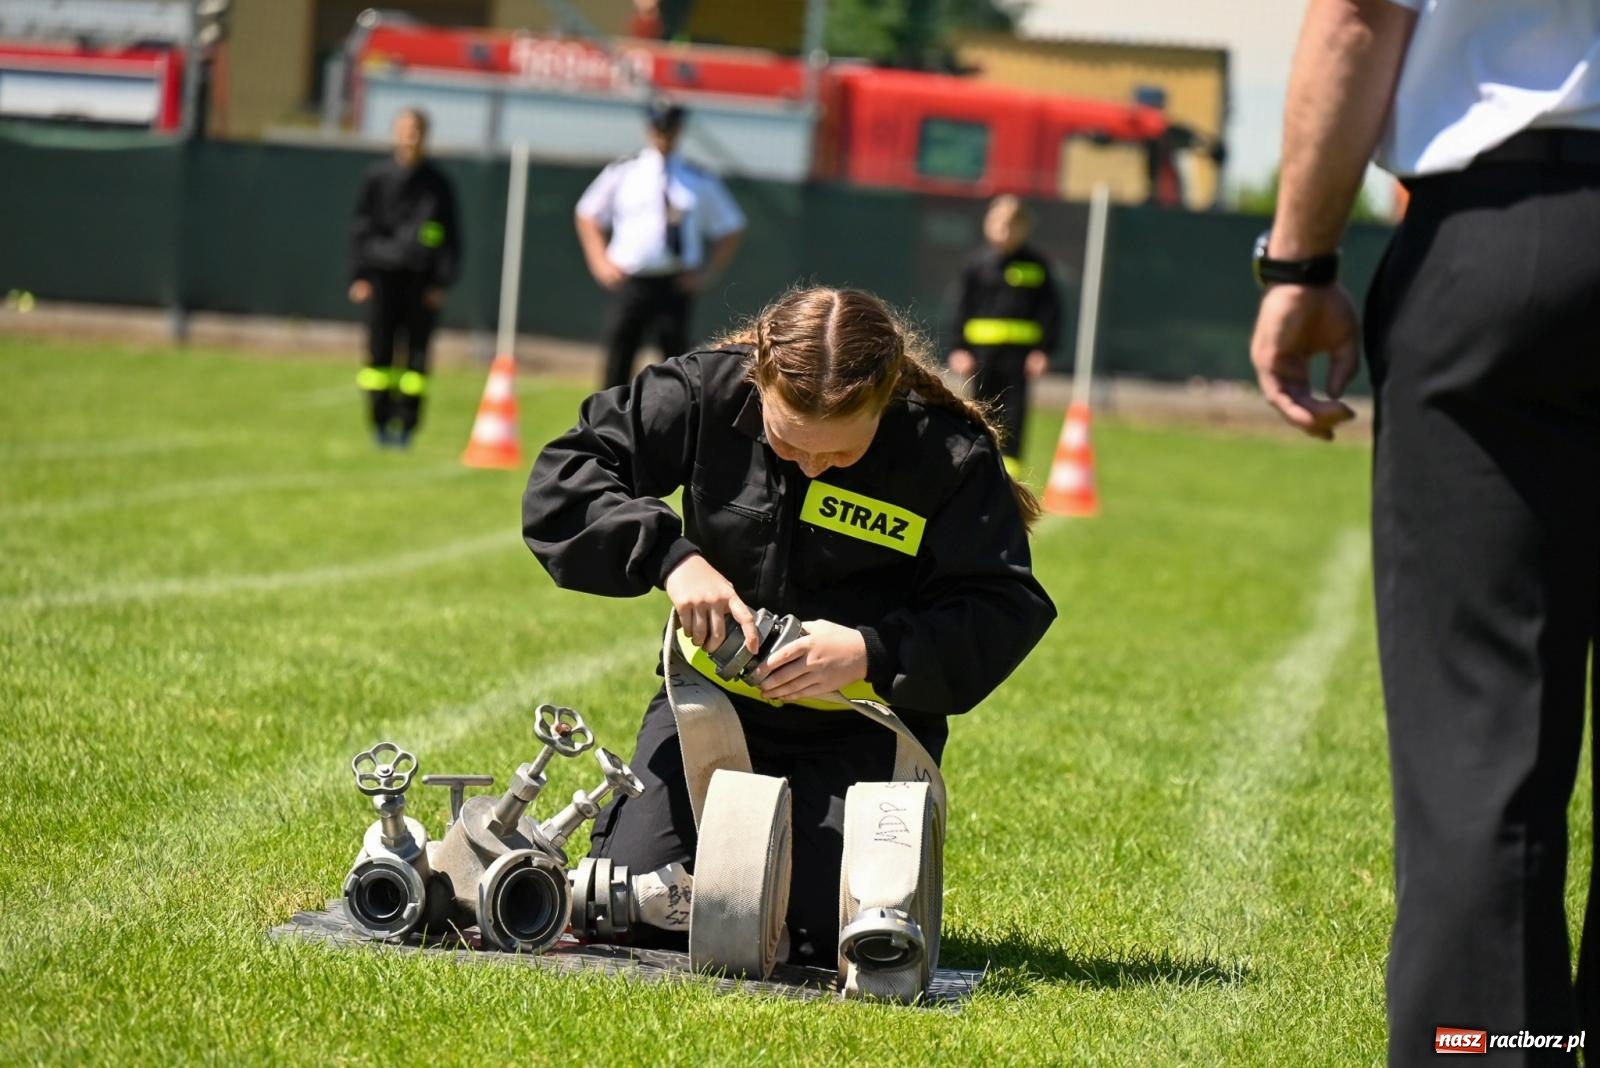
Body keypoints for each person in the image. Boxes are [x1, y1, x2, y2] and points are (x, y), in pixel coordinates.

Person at [1247, 2, 1600, 1062]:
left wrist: (1299, 265)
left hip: (1517, 230)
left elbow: (1358, 16)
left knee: (1483, 729)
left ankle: (1490, 1050)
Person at [522, 286, 1056, 964]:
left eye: (838, 456)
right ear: (760, 382)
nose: (808, 466)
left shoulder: (947, 454)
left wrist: (869, 651)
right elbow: (564, 475)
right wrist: (671, 558)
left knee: (817, 933)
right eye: (787, 442)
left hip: (859, 725)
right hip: (708, 714)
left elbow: (1000, 607)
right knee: (634, 904)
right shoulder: (705, 392)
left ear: (886, 398)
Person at [574, 101, 746, 391]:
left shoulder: (698, 178)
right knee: (620, 353)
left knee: (676, 361)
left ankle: (675, 422)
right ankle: (608, 423)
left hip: (674, 281)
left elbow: (731, 226)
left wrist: (707, 273)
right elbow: (587, 213)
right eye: (658, 129)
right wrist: (599, 260)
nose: (663, 136)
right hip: (631, 279)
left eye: (670, 129)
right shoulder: (623, 172)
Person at [348, 106, 461, 448]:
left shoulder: (438, 183)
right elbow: (360, 228)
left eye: (415, 131)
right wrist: (360, 275)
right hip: (383, 277)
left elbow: (451, 236)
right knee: (379, 352)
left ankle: (408, 425)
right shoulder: (377, 177)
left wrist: (440, 281)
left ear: (424, 136)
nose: (409, 137)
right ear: (395, 133)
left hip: (420, 282)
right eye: (403, 130)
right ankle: (379, 422)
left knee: (415, 357)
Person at [947, 195, 1061, 476]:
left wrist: (1043, 350)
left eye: (1011, 225)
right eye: (998, 223)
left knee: (1014, 416)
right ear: (987, 225)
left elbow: (1050, 310)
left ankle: (1009, 476)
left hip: (1018, 358)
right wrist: (958, 348)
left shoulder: (1037, 265)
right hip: (981, 357)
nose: (1003, 230)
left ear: (1023, 228)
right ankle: (976, 468)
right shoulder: (976, 265)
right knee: (978, 412)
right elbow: (960, 308)